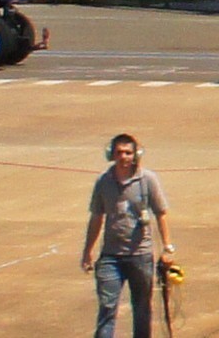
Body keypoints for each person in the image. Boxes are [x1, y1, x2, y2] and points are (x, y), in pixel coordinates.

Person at [81, 132, 174, 338]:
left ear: (136, 154)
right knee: (107, 307)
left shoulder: (148, 179)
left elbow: (161, 213)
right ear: (111, 155)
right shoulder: (103, 182)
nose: (123, 157)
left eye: (128, 153)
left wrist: (167, 248)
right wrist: (88, 251)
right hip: (110, 256)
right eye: (119, 152)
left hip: (140, 256)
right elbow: (96, 217)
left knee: (142, 308)